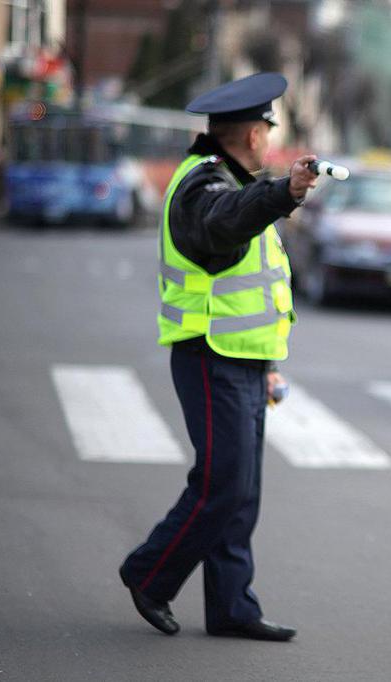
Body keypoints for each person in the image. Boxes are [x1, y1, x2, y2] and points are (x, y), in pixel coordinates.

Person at [118, 72, 319, 642]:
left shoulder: (230, 181)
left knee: (241, 489)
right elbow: (222, 225)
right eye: (266, 129)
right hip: (210, 354)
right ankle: (149, 575)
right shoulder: (201, 187)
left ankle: (233, 606)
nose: (268, 140)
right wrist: (284, 192)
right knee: (221, 484)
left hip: (244, 358)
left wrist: (269, 362)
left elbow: (255, 282)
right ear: (254, 134)